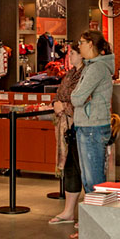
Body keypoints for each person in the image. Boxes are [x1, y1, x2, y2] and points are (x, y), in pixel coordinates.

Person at [71, 30, 114, 195]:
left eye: (81, 42)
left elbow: (76, 98)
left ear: (90, 44)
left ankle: (96, 218)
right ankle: (91, 217)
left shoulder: (97, 68)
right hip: (88, 126)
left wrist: (78, 95)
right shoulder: (91, 67)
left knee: (93, 179)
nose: (79, 45)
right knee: (89, 177)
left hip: (92, 127)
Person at [48, 44, 85, 226]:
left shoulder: (87, 74)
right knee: (70, 166)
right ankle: (69, 211)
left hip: (82, 126)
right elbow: (59, 93)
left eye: (73, 53)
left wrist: (65, 107)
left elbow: (86, 99)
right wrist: (56, 103)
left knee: (83, 168)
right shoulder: (69, 74)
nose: (69, 55)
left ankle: (88, 212)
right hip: (66, 128)